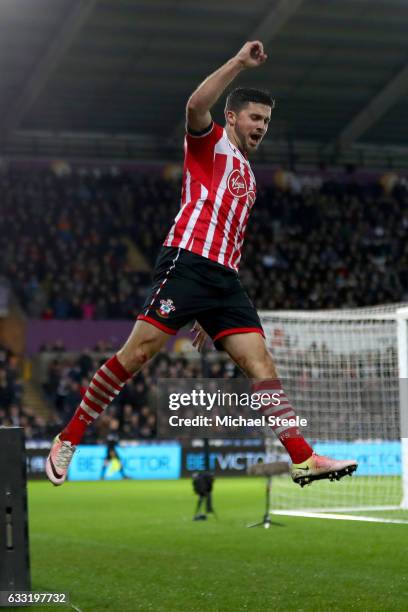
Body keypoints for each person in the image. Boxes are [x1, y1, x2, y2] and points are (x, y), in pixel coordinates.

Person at [46, 40, 357, 486]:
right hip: (186, 264)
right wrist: (238, 63)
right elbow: (195, 104)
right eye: (255, 117)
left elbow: (231, 237)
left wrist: (205, 312)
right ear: (232, 117)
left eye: (266, 121)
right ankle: (68, 437)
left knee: (261, 364)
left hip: (223, 282)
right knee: (138, 354)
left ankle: (303, 458)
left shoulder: (248, 176)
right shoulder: (208, 144)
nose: (261, 127)